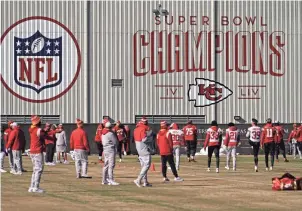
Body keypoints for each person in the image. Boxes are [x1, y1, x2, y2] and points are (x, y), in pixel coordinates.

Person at [133, 117, 153, 188]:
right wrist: (150, 138)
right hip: (143, 148)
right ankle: (138, 180)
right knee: (147, 165)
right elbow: (144, 139)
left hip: (139, 149)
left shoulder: (136, 129)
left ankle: (145, 182)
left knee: (143, 166)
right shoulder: (142, 129)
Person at [28, 115, 46, 193]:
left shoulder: (31, 129)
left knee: (35, 170)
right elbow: (44, 136)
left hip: (32, 151)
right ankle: (36, 187)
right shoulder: (39, 130)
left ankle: (32, 186)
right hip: (38, 151)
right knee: (38, 169)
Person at [101, 119, 119, 185]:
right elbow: (115, 142)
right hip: (110, 149)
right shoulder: (110, 133)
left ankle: (104, 180)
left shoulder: (103, 132)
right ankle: (110, 179)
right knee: (111, 165)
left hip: (105, 149)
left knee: (106, 165)